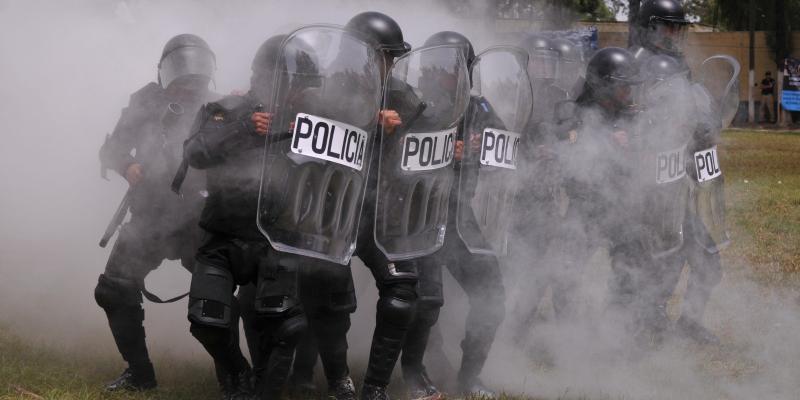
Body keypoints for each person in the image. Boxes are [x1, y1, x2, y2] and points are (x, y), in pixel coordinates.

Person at [181, 35, 314, 400]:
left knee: (287, 326)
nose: (301, 93)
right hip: (222, 234)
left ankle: (264, 394)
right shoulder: (224, 109)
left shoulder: (310, 122)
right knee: (206, 321)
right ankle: (236, 374)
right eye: (297, 84)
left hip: (275, 240)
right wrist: (243, 128)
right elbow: (195, 153)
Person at [94, 33, 216, 392]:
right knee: (114, 290)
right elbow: (113, 148)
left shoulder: (219, 108)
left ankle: (240, 376)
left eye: (195, 82)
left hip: (200, 221)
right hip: (150, 217)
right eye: (182, 81)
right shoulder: (146, 101)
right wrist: (128, 164)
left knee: (220, 301)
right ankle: (139, 373)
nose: (188, 88)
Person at [397, 31, 507, 400]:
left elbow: (505, 149)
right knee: (424, 301)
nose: (446, 75)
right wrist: (443, 150)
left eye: (454, 69)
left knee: (492, 293)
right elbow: (388, 159)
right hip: (413, 217)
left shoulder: (479, 108)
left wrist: (481, 144)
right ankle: (423, 368)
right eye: (440, 67)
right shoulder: (408, 102)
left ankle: (470, 377)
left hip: (458, 216)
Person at [632, 0, 724, 346]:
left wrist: (706, 127)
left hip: (680, 181)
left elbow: (693, 110)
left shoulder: (679, 66)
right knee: (661, 257)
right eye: (667, 26)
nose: (674, 34)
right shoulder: (634, 64)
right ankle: (648, 320)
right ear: (649, 26)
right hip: (648, 187)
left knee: (709, 261)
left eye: (678, 28)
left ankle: (689, 322)